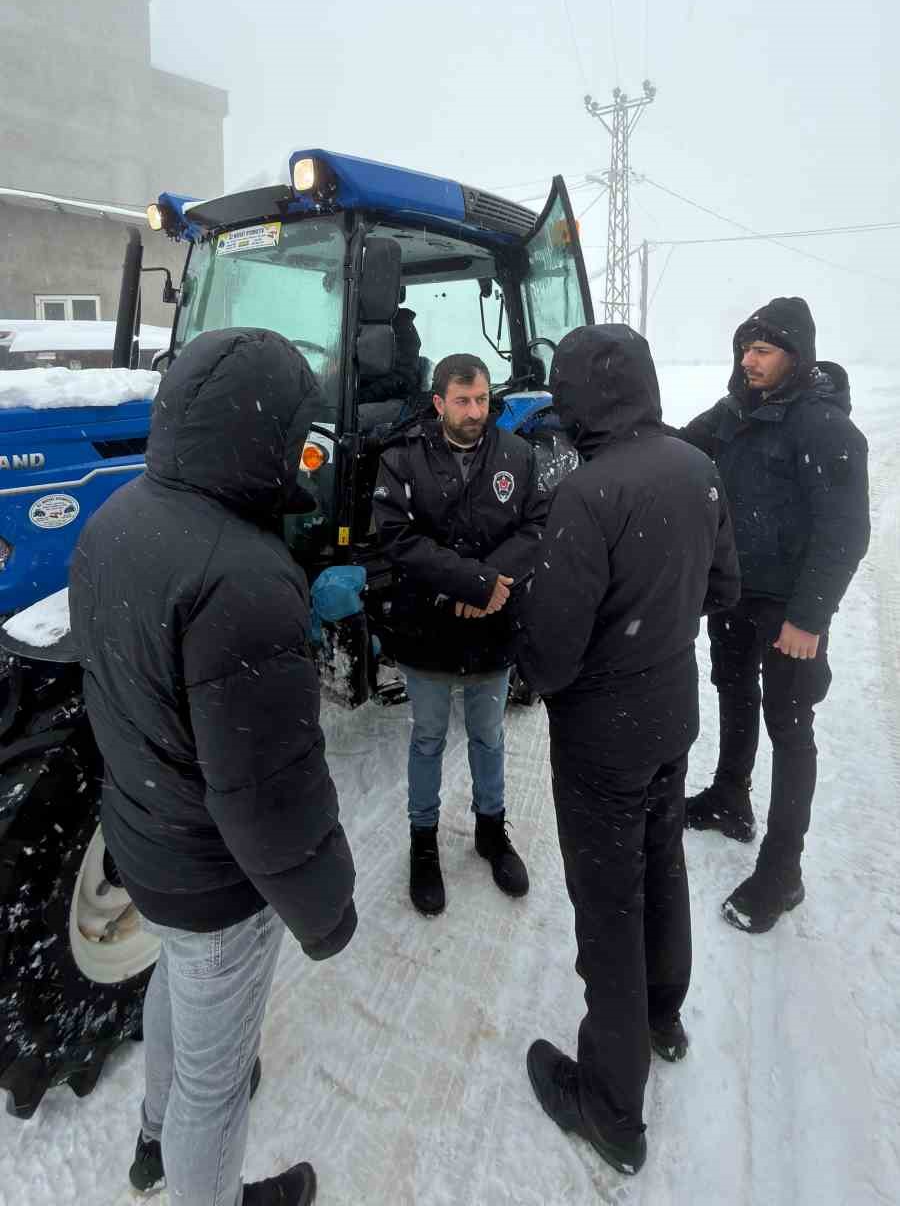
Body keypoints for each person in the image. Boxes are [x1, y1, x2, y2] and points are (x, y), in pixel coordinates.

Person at [69, 328, 357, 1206]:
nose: (305, 457)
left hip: (146, 837)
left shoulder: (119, 518)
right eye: (299, 436)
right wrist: (326, 909)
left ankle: (156, 1135)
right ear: (259, 432)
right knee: (218, 1082)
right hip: (214, 874)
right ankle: (204, 1179)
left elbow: (153, 682)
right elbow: (269, 799)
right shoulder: (242, 575)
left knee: (176, 980)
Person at [516, 324, 740, 1177]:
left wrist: (532, 641)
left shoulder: (586, 494)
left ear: (578, 398)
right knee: (662, 862)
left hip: (603, 735)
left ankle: (612, 1109)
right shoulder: (696, 466)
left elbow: (553, 652)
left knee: (608, 907)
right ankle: (661, 1015)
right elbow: (724, 588)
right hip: (670, 711)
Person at [678, 296, 870, 932]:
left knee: (789, 726)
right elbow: (678, 449)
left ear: (794, 355)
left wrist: (810, 619)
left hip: (791, 608)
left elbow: (845, 532)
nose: (747, 359)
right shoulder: (736, 412)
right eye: (744, 348)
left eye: (761, 350)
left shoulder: (824, 428)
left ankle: (783, 871)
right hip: (735, 593)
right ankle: (731, 796)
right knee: (732, 691)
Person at [372, 352, 548, 915]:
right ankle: (423, 842)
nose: (476, 411)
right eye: (464, 401)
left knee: (488, 736)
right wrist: (472, 580)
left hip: (492, 627)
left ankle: (491, 831)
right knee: (427, 738)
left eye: (482, 399)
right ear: (438, 402)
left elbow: (540, 524)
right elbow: (396, 538)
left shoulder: (519, 455)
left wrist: (495, 584)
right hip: (427, 625)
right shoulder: (402, 459)